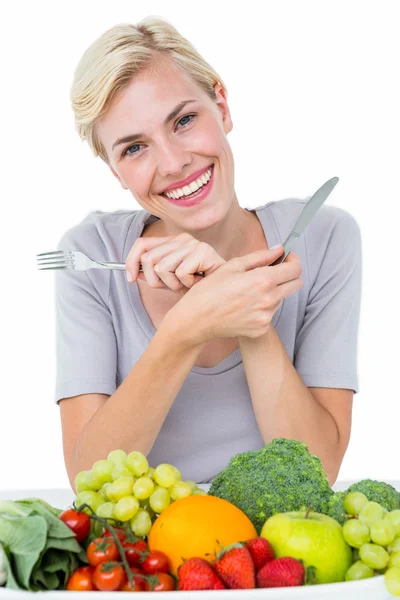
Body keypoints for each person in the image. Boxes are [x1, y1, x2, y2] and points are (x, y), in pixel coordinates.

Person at [56, 16, 362, 492]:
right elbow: (90, 483)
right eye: (135, 148)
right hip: (150, 559)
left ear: (221, 105)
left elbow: (316, 474)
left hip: (273, 557)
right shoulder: (91, 257)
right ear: (115, 170)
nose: (174, 163)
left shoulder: (322, 237)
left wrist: (242, 307)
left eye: (183, 120)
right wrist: (188, 326)